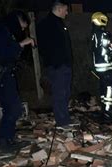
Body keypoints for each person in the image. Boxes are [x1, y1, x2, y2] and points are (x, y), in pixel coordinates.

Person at [0, 11, 35, 152]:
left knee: (11, 108)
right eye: (23, 26)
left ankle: (7, 139)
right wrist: (22, 43)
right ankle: (4, 141)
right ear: (19, 20)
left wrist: (18, 47)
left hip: (2, 74)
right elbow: (4, 53)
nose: (23, 30)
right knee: (14, 108)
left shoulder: (4, 29)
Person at [37, 0, 73, 128]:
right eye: (66, 10)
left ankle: (65, 119)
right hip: (57, 66)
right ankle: (62, 122)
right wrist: (56, 63)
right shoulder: (47, 24)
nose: (67, 13)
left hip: (63, 65)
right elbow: (44, 48)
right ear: (59, 9)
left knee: (65, 93)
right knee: (59, 93)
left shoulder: (58, 23)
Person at [91, 12, 112, 119]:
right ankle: (108, 110)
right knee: (110, 88)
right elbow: (106, 50)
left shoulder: (94, 33)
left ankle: (104, 108)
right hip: (105, 66)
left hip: (98, 66)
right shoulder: (103, 34)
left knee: (102, 88)